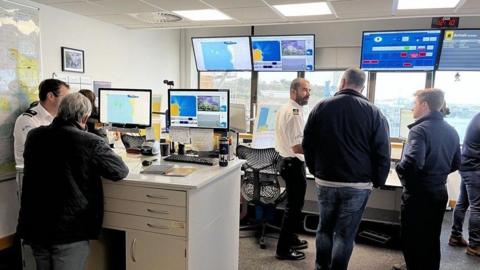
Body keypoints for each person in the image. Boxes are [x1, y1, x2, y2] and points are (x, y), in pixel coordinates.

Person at [16, 92, 129, 270]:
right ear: (84, 117)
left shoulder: (34, 136)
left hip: (34, 225)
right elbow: (120, 171)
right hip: (68, 229)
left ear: (59, 111)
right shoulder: (90, 141)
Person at [303, 67, 390, 270]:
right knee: (345, 234)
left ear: (342, 82)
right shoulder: (375, 113)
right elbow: (382, 152)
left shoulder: (320, 107)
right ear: (363, 86)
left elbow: (308, 143)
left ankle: (320, 267)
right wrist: (379, 180)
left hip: (326, 180)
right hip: (358, 185)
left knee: (324, 229)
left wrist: (315, 170)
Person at [395, 88, 461, 270]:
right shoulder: (452, 131)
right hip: (439, 193)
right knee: (431, 240)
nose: (412, 107)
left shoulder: (418, 130)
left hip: (418, 195)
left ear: (424, 105)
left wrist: (398, 168)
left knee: (412, 241)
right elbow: (456, 163)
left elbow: (412, 163)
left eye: (414, 103)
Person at [274, 78, 310, 260]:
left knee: (295, 205)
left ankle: (292, 238)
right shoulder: (295, 112)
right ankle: (283, 249)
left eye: (309, 90)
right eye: (305, 90)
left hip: (285, 161)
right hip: (293, 163)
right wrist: (318, 151)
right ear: (293, 92)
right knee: (293, 208)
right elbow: (297, 147)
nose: (308, 93)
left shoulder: (284, 107)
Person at [14, 78, 70, 165]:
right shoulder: (27, 120)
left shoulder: (62, 118)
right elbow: (41, 152)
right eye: (66, 98)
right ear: (51, 96)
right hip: (34, 174)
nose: (68, 102)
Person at [449, 112, 480, 257]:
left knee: (463, 202)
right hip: (475, 168)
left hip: (466, 165)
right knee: (477, 207)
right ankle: (475, 245)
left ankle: (455, 236)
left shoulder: (477, 116)